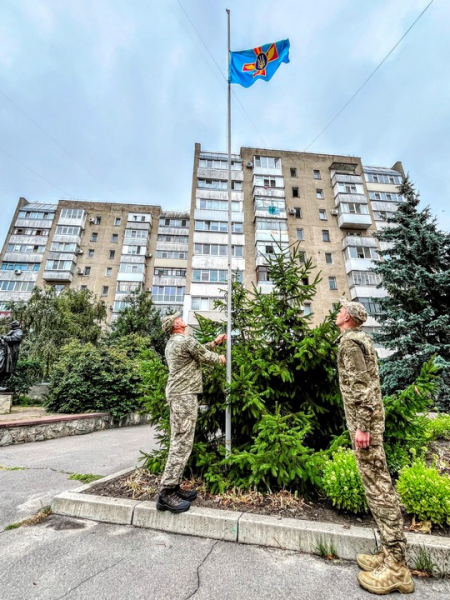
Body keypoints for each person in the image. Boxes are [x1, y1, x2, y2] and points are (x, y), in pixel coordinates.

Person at [336, 299, 414, 595]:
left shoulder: (350, 344)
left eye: (341, 309)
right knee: (378, 489)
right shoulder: (360, 339)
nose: (337, 312)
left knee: (380, 492)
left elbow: (362, 387)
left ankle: (397, 568)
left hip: (365, 426)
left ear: (348, 317)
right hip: (368, 422)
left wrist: (362, 427)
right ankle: (388, 553)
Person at [157, 312, 226, 514]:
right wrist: (221, 358)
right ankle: (166, 493)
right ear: (175, 325)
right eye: (178, 318)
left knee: (182, 440)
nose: (181, 318)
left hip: (180, 395)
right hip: (183, 396)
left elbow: (196, 351)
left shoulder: (175, 342)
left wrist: (214, 342)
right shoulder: (184, 340)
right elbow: (204, 356)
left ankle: (174, 487)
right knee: (181, 441)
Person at [0, 320, 23, 389]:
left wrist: (5, 337)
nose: (10, 326)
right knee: (3, 367)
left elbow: (17, 338)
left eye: (11, 325)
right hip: (5, 352)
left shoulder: (18, 331)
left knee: (7, 369)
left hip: (11, 352)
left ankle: (1, 384)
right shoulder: (12, 331)